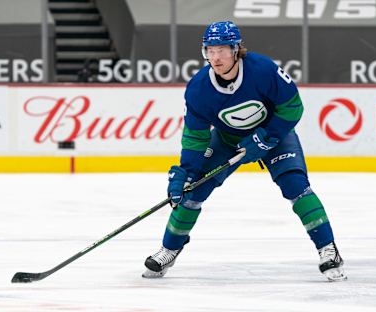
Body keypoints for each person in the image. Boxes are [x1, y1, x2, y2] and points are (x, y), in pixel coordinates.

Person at [142, 21, 347, 282]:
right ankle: (169, 249)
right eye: (210, 50)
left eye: (222, 50)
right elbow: (195, 137)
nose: (215, 57)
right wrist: (186, 172)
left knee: (296, 186)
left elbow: (293, 108)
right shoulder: (198, 89)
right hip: (227, 141)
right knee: (192, 192)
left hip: (274, 135)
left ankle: (328, 250)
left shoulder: (263, 70)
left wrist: (266, 138)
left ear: (236, 49)